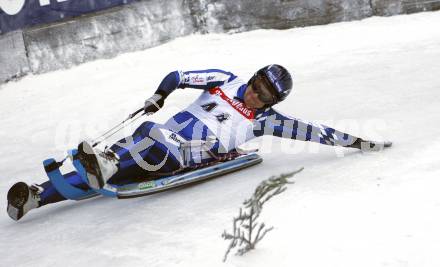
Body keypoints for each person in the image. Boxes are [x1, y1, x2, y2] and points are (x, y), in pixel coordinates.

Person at [6, 65, 391, 221]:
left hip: (187, 155)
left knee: (147, 145)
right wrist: (160, 94)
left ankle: (103, 165)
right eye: (256, 86)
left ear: (274, 102)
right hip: (156, 136)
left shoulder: (267, 123)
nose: (255, 95)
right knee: (132, 147)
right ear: (253, 78)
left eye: (264, 95)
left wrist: (360, 142)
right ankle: (39, 196)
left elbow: (316, 131)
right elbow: (179, 75)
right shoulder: (224, 79)